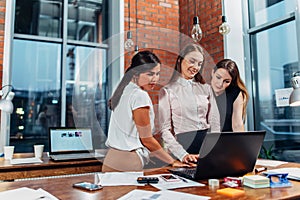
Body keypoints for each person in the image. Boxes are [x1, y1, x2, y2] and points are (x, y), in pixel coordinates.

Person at [102, 50, 189, 172]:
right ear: (135, 74)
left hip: (111, 160)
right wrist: (172, 161)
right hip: (128, 162)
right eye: (150, 74)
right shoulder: (139, 95)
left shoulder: (123, 91)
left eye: (157, 74)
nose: (155, 79)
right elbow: (146, 139)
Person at [158, 44, 220, 164]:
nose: (195, 67)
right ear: (180, 60)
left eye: (199, 63)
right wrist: (182, 154)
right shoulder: (167, 91)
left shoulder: (207, 89)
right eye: (192, 61)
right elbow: (164, 129)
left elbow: (215, 122)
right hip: (184, 147)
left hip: (207, 145)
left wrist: (214, 149)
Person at [211, 58, 249, 132]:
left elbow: (237, 125)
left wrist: (243, 143)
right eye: (218, 77)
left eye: (226, 81)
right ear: (213, 73)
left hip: (228, 141)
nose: (220, 84)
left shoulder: (235, 94)